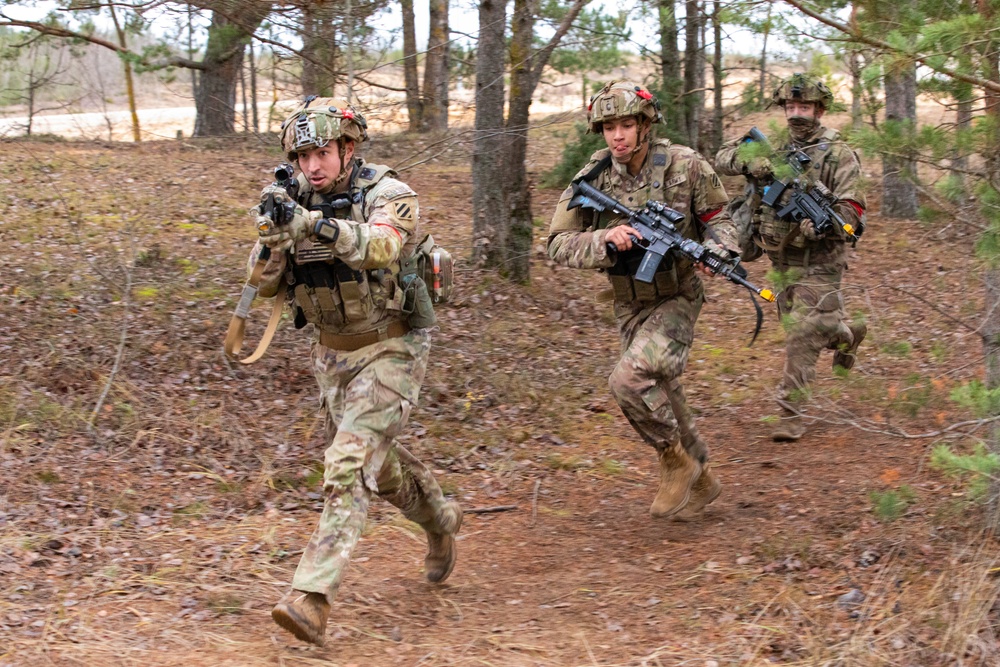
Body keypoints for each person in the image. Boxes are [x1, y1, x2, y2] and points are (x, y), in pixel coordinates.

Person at [246, 96, 462, 646]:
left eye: (322, 152)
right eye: (302, 156)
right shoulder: (293, 200)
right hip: (332, 355)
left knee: (346, 462)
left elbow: (383, 245)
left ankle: (310, 598)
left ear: (348, 147)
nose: (312, 166)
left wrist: (312, 226)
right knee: (377, 467)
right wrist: (272, 242)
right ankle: (438, 518)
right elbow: (264, 286)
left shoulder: (388, 193)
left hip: (392, 347)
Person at [547, 80, 742, 521]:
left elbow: (721, 220)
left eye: (627, 124)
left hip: (677, 295)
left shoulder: (686, 165)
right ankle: (704, 480)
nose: (618, 135)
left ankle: (674, 460)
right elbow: (557, 243)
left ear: (645, 124)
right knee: (664, 390)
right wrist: (605, 239)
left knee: (628, 381)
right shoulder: (590, 178)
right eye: (609, 126)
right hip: (628, 302)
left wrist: (719, 251)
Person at [714, 73, 868, 442]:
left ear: (820, 110)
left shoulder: (838, 153)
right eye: (792, 107)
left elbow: (853, 211)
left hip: (822, 260)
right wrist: (751, 164)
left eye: (806, 107)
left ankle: (791, 412)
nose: (798, 114)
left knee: (802, 336)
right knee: (810, 331)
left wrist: (825, 225)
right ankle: (848, 334)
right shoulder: (773, 144)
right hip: (780, 259)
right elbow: (722, 158)